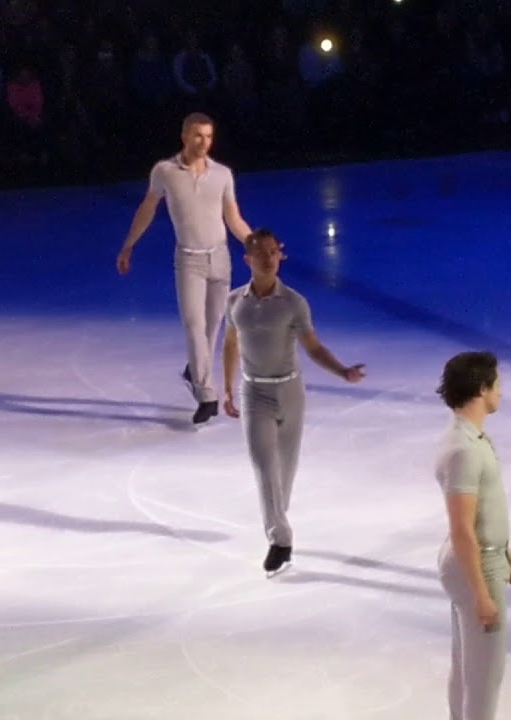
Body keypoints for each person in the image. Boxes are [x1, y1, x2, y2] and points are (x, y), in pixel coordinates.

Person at [221, 229, 365, 576]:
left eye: (274, 252)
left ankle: (276, 520)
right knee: (264, 467)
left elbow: (313, 347)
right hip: (254, 394)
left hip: (290, 392)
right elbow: (230, 344)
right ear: (248, 259)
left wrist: (342, 371)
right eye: (262, 253)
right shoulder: (233, 302)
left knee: (285, 471)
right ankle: (280, 539)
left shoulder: (293, 303)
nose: (270, 259)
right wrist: (226, 389)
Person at [117, 112, 254, 426]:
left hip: (220, 259)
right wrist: (129, 245)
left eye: (208, 136)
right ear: (184, 136)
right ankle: (206, 395)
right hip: (189, 261)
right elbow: (148, 208)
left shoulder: (222, 174)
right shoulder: (165, 171)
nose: (203, 142)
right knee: (194, 328)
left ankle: (195, 370)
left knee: (211, 327)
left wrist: (252, 243)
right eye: (197, 135)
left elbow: (233, 217)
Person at [434, 351, 511, 720]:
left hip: (486, 559)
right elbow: (461, 528)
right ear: (481, 389)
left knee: (467, 671)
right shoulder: (463, 450)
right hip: (475, 568)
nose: (501, 392)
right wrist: (481, 593)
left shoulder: (471, 438)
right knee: (484, 680)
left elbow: (479, 519)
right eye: (498, 384)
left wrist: (506, 554)